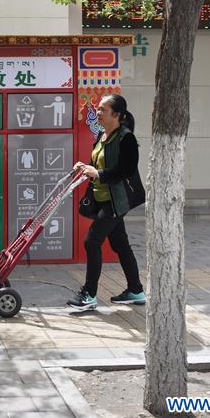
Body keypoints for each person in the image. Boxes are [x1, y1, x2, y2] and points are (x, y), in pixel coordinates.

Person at [67, 94, 146, 311]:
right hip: (101, 199)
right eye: (99, 109)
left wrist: (99, 173)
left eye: (103, 109)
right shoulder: (102, 135)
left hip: (116, 201)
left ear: (117, 115)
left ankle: (89, 295)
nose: (98, 113)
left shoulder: (126, 138)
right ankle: (136, 290)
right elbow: (97, 165)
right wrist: (85, 167)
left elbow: (126, 170)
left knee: (91, 242)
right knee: (121, 245)